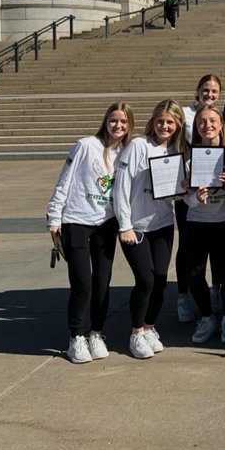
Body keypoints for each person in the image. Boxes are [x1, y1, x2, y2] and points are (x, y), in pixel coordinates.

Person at [46, 102, 135, 362]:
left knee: (102, 282)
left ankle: (96, 332)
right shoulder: (85, 145)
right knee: (82, 283)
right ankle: (76, 336)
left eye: (123, 122)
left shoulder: (126, 153)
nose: (118, 125)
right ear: (106, 121)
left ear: (129, 125)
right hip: (76, 220)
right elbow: (64, 180)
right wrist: (54, 215)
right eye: (113, 120)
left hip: (106, 223)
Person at [114, 100, 186, 359]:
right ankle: (135, 333)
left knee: (160, 281)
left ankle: (149, 327)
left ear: (177, 124)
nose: (164, 126)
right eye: (160, 121)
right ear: (153, 121)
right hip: (136, 226)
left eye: (170, 122)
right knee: (145, 279)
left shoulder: (178, 151)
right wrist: (125, 225)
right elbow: (121, 187)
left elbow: (176, 193)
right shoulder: (137, 146)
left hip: (163, 224)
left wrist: (187, 189)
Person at [183, 108, 225, 345]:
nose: (207, 125)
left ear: (221, 124)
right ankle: (207, 317)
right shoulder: (188, 156)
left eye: (212, 121)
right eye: (202, 122)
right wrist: (195, 197)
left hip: (224, 220)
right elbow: (182, 196)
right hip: (197, 221)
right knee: (195, 273)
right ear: (196, 127)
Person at [176, 75, 223, 323]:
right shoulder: (185, 114)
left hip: (221, 210)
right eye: (206, 89)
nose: (210, 94)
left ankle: (217, 297)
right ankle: (185, 296)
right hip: (193, 198)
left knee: (220, 259)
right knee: (187, 250)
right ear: (197, 90)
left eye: (215, 91)